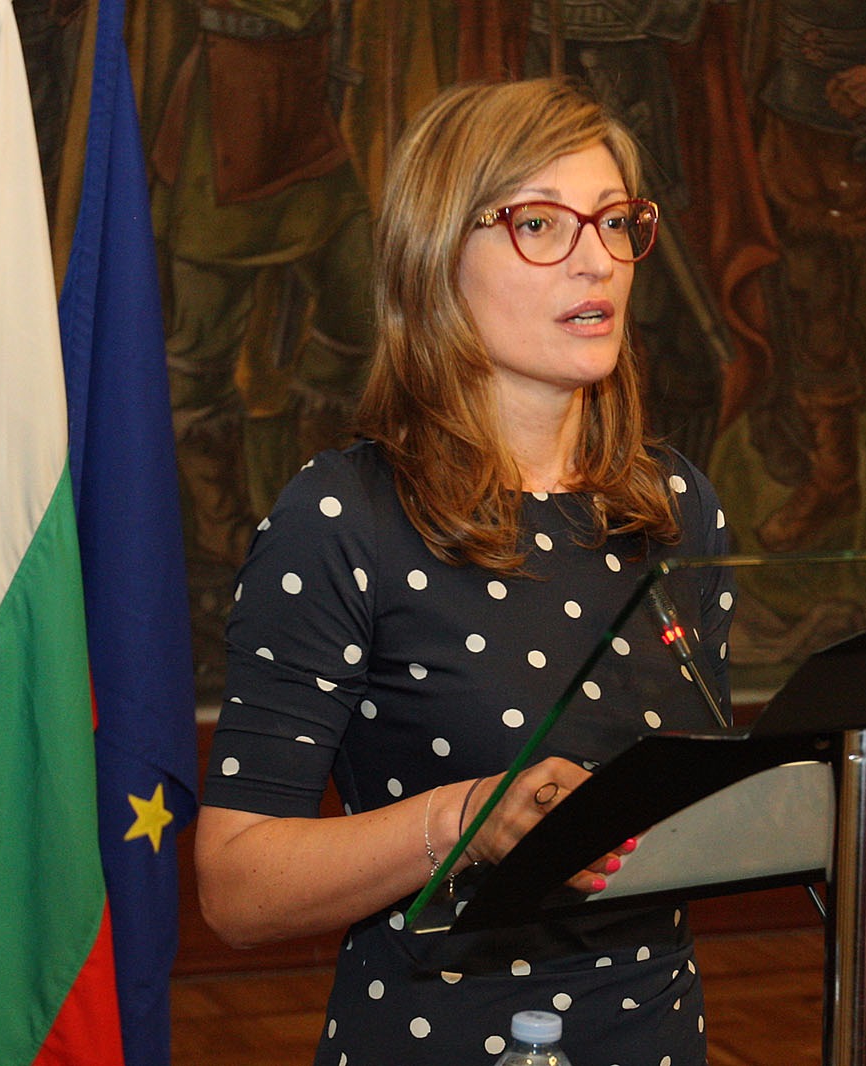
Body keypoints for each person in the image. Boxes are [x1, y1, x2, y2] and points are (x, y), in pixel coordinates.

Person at [195, 77, 735, 1065]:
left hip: (656, 1036)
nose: (597, 259)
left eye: (616, 222)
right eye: (541, 224)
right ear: (435, 260)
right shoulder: (343, 518)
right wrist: (460, 819)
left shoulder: (676, 504)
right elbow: (236, 888)